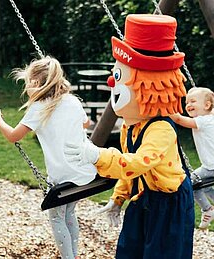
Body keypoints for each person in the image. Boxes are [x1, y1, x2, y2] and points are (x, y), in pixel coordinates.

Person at [64, 14, 194, 258]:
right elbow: (130, 169)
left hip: (168, 204)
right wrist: (119, 198)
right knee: (128, 250)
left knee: (162, 253)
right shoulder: (130, 127)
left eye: (120, 77)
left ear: (149, 86)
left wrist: (98, 156)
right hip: (142, 196)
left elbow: (137, 163)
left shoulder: (161, 130)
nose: (112, 81)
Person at [0, 56, 97, 259]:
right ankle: (73, 255)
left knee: (57, 218)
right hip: (85, 172)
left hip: (62, 178)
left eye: (27, 84)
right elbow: (86, 124)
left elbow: (13, 136)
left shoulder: (39, 108)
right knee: (70, 213)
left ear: (37, 83)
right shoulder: (73, 101)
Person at [170, 87, 214, 232]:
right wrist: (198, 93)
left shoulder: (203, 121)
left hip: (213, 166)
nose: (188, 105)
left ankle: (208, 210)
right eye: (187, 102)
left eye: (193, 101)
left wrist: (166, 109)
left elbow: (180, 120)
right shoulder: (213, 118)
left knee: (190, 183)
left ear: (206, 106)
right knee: (205, 187)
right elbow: (213, 111)